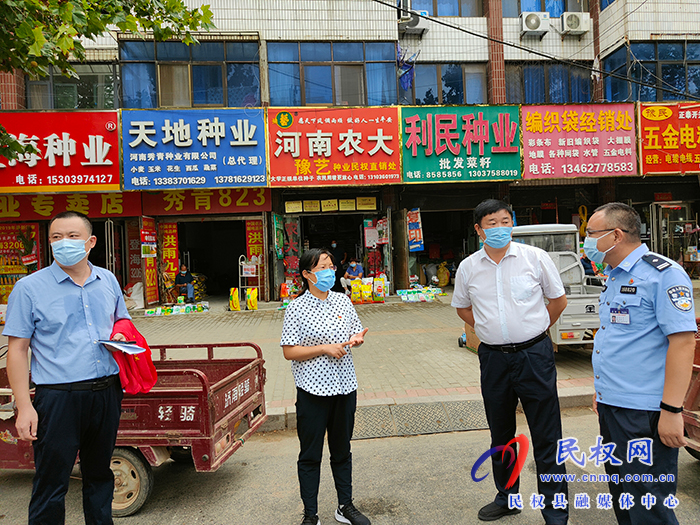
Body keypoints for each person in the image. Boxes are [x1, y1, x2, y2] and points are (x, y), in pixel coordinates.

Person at [3, 211, 130, 525]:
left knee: (100, 476)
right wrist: (24, 406)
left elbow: (123, 324)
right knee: (51, 481)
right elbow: (17, 350)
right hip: (58, 398)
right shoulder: (29, 288)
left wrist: (122, 336)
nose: (64, 243)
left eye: (72, 236)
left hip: (106, 392)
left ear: (90, 241)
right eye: (56, 237)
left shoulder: (108, 281)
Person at [452, 199, 569, 524]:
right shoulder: (468, 267)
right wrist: (489, 328)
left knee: (547, 435)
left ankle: (556, 512)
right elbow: (462, 307)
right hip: (493, 360)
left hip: (534, 355)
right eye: (492, 223)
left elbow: (558, 300)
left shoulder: (535, 258)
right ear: (478, 230)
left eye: (506, 221)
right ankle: (507, 497)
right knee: (501, 433)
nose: (500, 228)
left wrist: (534, 328)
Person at [584, 202, 696, 525]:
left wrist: (672, 411)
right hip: (613, 407)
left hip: (645, 413)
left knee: (649, 507)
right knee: (625, 500)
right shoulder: (615, 275)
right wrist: (601, 390)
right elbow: (618, 339)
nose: (586, 242)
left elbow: (683, 342)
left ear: (615, 235)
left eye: (591, 234)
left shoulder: (663, 275)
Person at [280, 248, 371, 525]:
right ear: (307, 274)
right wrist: (323, 349)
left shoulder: (343, 301)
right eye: (322, 267)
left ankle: (345, 506)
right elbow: (289, 351)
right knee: (310, 455)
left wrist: (357, 338)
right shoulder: (296, 307)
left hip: (345, 388)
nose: (330, 271)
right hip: (312, 392)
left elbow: (354, 330)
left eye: (331, 266)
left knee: (342, 450)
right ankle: (311, 515)